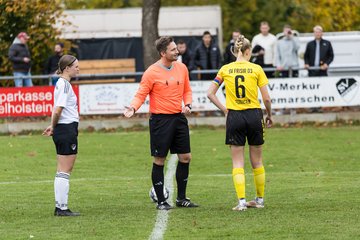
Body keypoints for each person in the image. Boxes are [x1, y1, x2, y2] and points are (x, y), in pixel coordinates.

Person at [124, 36, 198, 210]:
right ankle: (161, 201)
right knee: (159, 159)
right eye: (173, 50)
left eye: (176, 49)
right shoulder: (151, 72)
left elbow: (187, 90)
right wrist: (133, 108)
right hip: (160, 120)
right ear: (163, 53)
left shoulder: (182, 68)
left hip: (179, 118)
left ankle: (181, 198)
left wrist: (187, 104)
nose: (177, 51)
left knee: (185, 157)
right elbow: (141, 94)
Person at [207, 35, 272, 211]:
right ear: (248, 51)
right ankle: (259, 200)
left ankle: (242, 202)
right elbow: (266, 98)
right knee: (257, 161)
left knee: (238, 162)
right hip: (254, 116)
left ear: (236, 51)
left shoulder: (225, 69)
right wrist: (269, 115)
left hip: (234, 116)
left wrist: (224, 109)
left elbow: (210, 93)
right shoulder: (256, 68)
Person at [43, 55, 80, 217]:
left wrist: (53, 126)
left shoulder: (61, 83)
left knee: (62, 170)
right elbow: (58, 109)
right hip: (66, 129)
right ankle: (62, 208)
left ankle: (60, 206)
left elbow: (56, 109)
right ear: (67, 68)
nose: (78, 69)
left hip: (62, 129)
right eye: (76, 66)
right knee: (66, 169)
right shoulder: (64, 84)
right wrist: (54, 125)